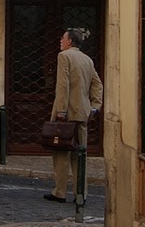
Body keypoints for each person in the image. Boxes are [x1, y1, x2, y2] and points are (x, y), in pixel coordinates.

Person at [44, 27, 103, 203]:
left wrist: (61, 111)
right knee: (80, 155)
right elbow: (97, 84)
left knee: (61, 153)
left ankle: (59, 192)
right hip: (83, 113)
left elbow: (63, 85)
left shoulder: (64, 57)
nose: (60, 41)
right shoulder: (87, 60)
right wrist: (94, 107)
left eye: (62, 38)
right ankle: (81, 194)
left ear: (70, 41)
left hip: (68, 112)